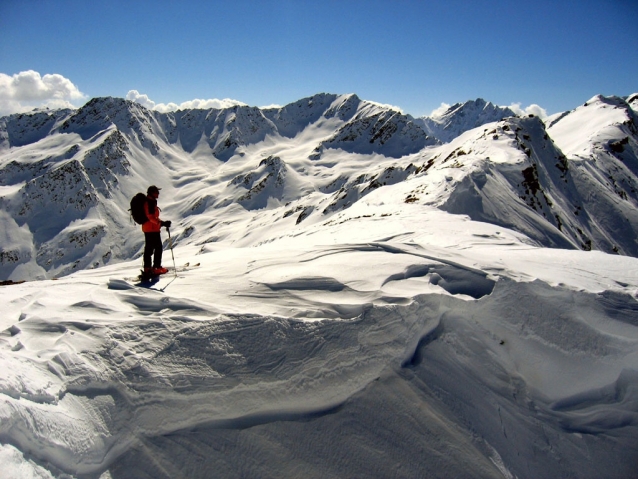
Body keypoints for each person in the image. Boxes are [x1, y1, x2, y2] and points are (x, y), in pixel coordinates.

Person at [142, 185, 171, 275]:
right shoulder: (149, 203)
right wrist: (161, 223)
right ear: (152, 193)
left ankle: (148, 268)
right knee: (158, 248)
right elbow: (150, 217)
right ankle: (156, 268)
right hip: (152, 229)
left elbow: (153, 217)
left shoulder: (150, 202)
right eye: (156, 192)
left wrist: (162, 223)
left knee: (149, 249)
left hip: (149, 228)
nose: (158, 194)